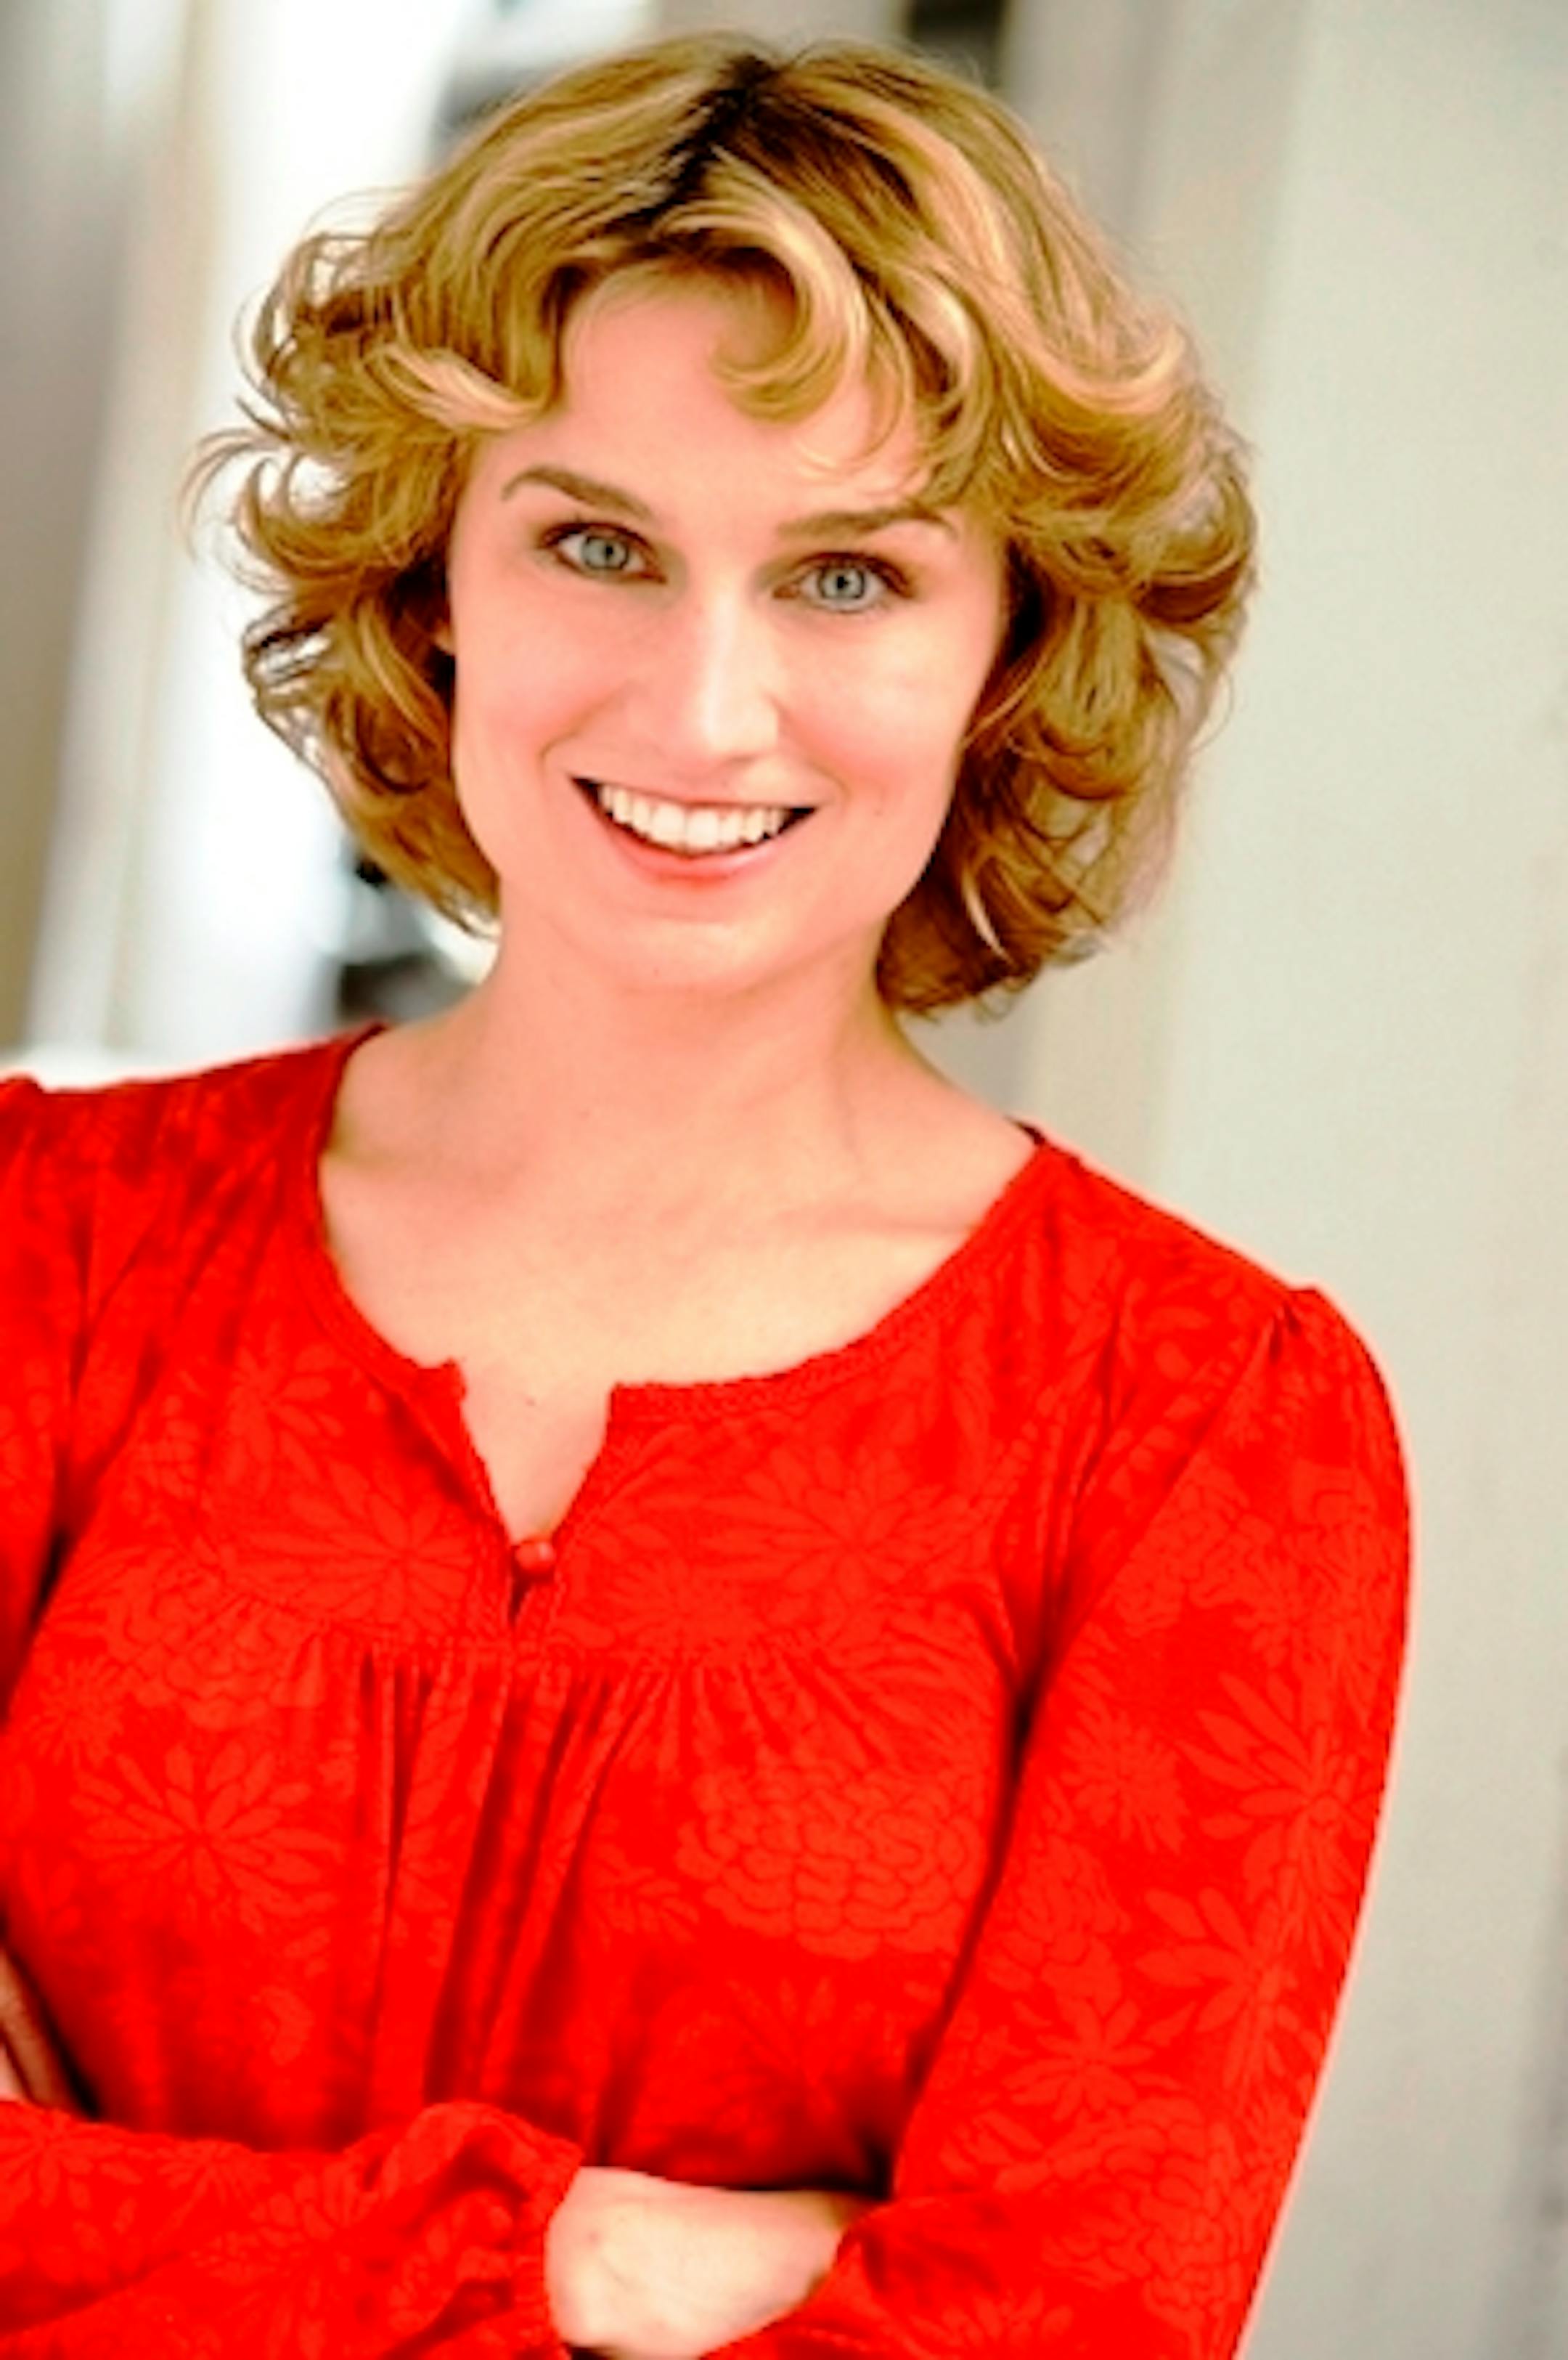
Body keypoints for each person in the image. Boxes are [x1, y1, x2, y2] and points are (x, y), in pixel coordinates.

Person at [0, 30, 1408, 2357]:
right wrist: (571, 2254)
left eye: (848, 575)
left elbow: (1062, 2327)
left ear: (1009, 649)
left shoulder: (1202, 1427)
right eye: (597, 544)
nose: (704, 707)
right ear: (433, 582)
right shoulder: (48, 1244)